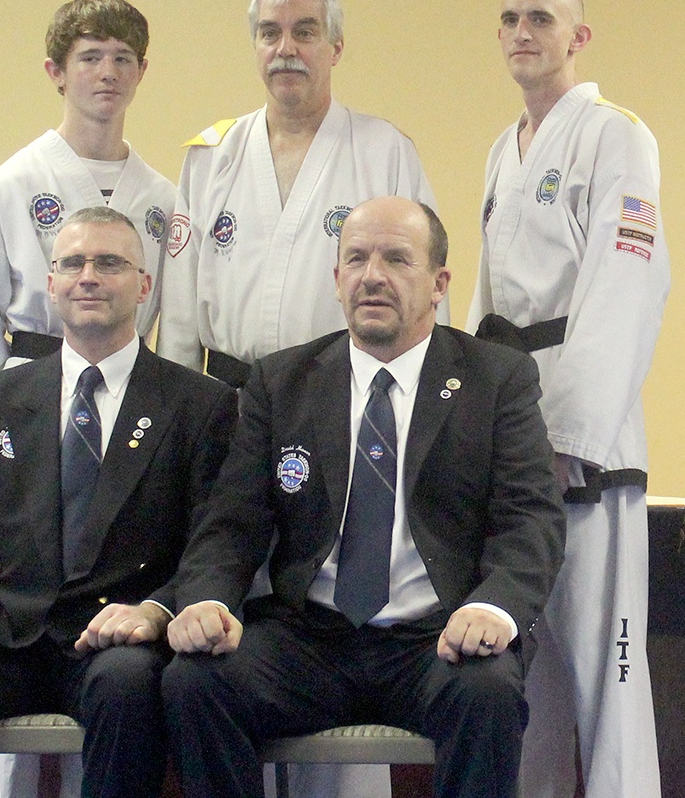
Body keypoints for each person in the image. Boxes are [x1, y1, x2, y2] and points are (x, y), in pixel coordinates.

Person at [162, 196, 567, 798]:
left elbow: (529, 516)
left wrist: (495, 607)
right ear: (336, 279)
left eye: (396, 259)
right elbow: (231, 522)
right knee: (195, 681)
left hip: (437, 636)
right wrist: (205, 599)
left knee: (488, 691)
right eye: (356, 259)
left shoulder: (496, 378)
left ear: (439, 284)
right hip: (310, 639)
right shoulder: (283, 381)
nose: (372, 276)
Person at [0, 207, 238, 798]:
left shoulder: (199, 404)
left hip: (115, 641)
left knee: (129, 685)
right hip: (5, 637)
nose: (89, 277)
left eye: (109, 263)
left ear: (144, 286)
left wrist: (157, 610)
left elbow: (213, 543)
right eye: (73, 264)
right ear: (51, 284)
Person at [466, 0, 668, 798]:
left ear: (579, 37)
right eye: (509, 18)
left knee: (606, 673)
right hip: (514, 421)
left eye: (541, 18)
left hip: (587, 447)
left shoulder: (617, 135)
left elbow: (627, 286)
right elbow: (485, 304)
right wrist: (474, 419)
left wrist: (568, 437)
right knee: (529, 671)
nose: (522, 31)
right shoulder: (502, 149)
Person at [157, 0, 442, 389]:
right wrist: (177, 408)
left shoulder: (384, 151)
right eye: (269, 33)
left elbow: (423, 284)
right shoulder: (213, 156)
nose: (285, 48)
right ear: (256, 45)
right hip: (227, 398)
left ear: (336, 48)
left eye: (305, 33)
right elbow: (180, 312)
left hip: (341, 394)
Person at [0, 0, 176, 401]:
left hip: (130, 388)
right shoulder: (12, 185)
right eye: (90, 58)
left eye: (122, 58)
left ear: (141, 71)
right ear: (56, 72)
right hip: (30, 388)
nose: (108, 73)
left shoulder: (162, 198)